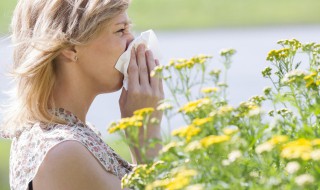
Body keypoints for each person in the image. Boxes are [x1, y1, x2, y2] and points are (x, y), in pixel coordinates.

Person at [0, 0, 164, 189]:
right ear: (70, 47)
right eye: (120, 30)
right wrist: (146, 135)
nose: (133, 43)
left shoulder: (65, 136)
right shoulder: (64, 151)